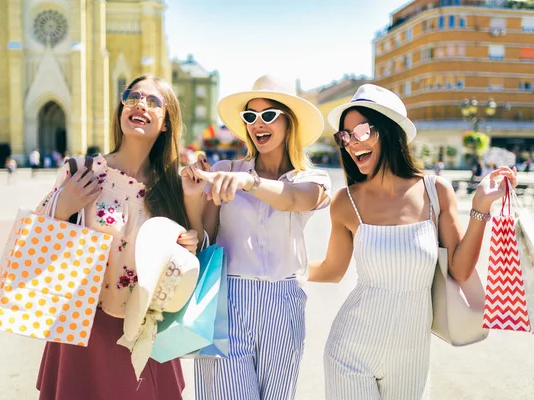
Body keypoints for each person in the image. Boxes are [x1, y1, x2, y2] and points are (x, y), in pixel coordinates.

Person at [309, 84, 518, 400]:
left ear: (389, 132)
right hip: (349, 352)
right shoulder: (345, 201)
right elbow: (332, 269)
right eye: (345, 136)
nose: (352, 144)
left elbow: (460, 271)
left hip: (412, 357)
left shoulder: (436, 192)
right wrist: (282, 263)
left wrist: (480, 208)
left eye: (361, 131)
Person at [35, 74, 205, 400]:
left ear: (167, 122)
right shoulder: (80, 171)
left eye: (153, 101)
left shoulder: (173, 185)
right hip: (83, 327)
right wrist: (63, 206)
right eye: (132, 97)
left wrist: (191, 239)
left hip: (147, 331)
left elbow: (190, 259)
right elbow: (37, 242)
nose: (140, 104)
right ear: (122, 109)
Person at [184, 75, 332, 400]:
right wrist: (195, 196)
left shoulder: (313, 178)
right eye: (250, 117)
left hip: (284, 301)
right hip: (226, 298)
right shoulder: (225, 167)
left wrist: (248, 183)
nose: (257, 124)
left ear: (288, 121)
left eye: (268, 115)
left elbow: (295, 199)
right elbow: (206, 236)